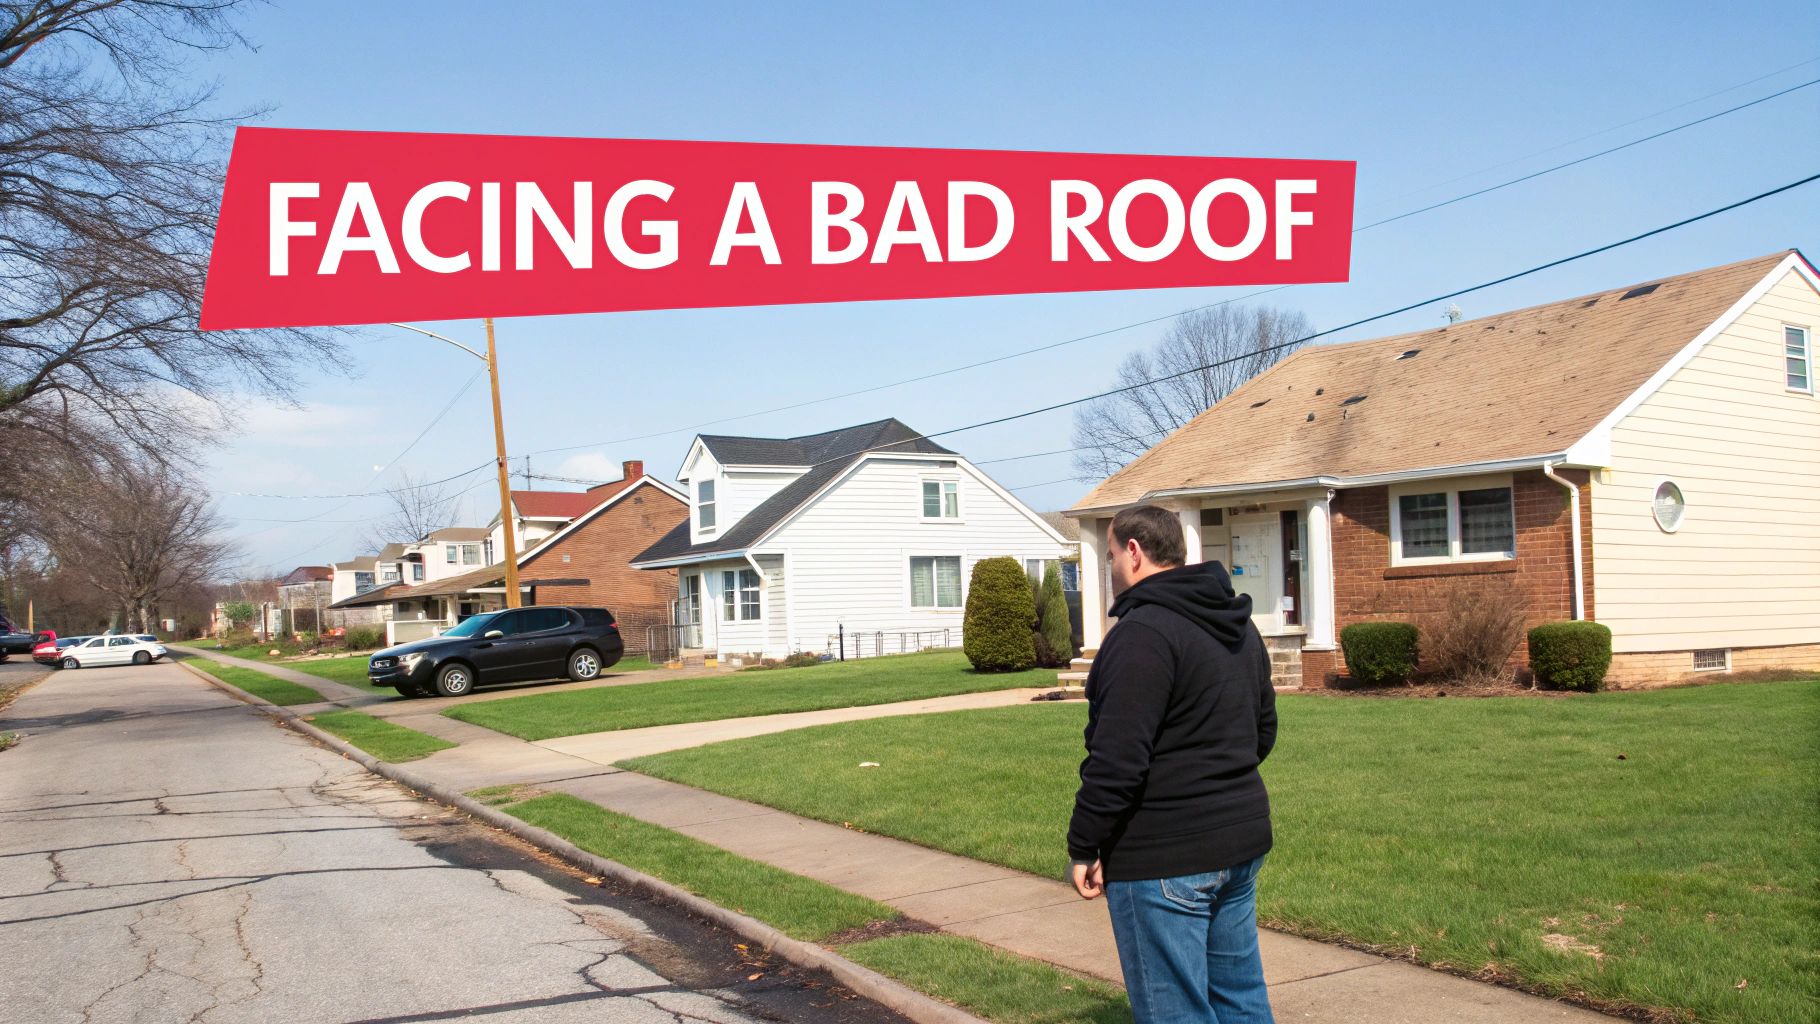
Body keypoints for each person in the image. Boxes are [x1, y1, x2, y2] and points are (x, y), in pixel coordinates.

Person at [1067, 504, 1278, 1023]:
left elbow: (1117, 761)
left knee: (1175, 1011)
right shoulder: (1238, 626)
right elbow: (1262, 731)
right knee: (1239, 998)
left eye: (1112, 555)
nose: (1112, 568)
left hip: (1164, 859)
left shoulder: (1143, 634)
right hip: (1239, 842)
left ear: (1134, 553)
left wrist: (1084, 844)